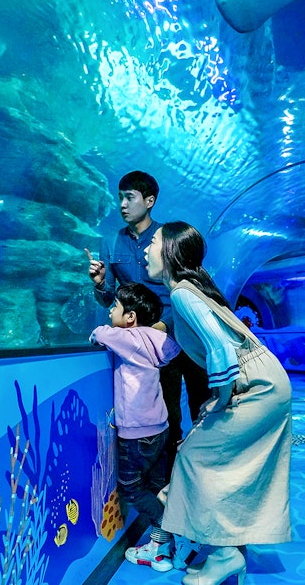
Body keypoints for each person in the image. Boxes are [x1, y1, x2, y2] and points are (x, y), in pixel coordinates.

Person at [145, 221, 293, 585]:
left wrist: (221, 399)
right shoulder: (192, 290)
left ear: (169, 252)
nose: (146, 249)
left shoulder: (181, 292)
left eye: (152, 242)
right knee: (220, 458)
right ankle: (229, 544)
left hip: (256, 388)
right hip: (266, 382)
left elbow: (220, 349)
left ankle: (225, 554)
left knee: (195, 456)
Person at [86, 171, 211, 476]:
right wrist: (101, 284)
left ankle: (207, 469)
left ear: (150, 201)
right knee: (167, 412)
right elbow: (112, 301)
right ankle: (169, 481)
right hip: (147, 347)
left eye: (130, 197)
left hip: (183, 332)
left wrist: (164, 325)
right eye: (120, 197)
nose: (123, 204)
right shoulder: (113, 242)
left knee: (202, 404)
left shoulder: (165, 239)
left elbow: (184, 286)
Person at [90, 282, 182, 573]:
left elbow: (100, 334)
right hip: (160, 428)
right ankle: (162, 548)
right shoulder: (155, 339)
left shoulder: (128, 338)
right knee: (156, 485)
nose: (110, 312)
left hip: (136, 433)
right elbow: (172, 349)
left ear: (130, 317)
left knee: (131, 489)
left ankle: (165, 525)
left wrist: (97, 332)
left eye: (115, 307)